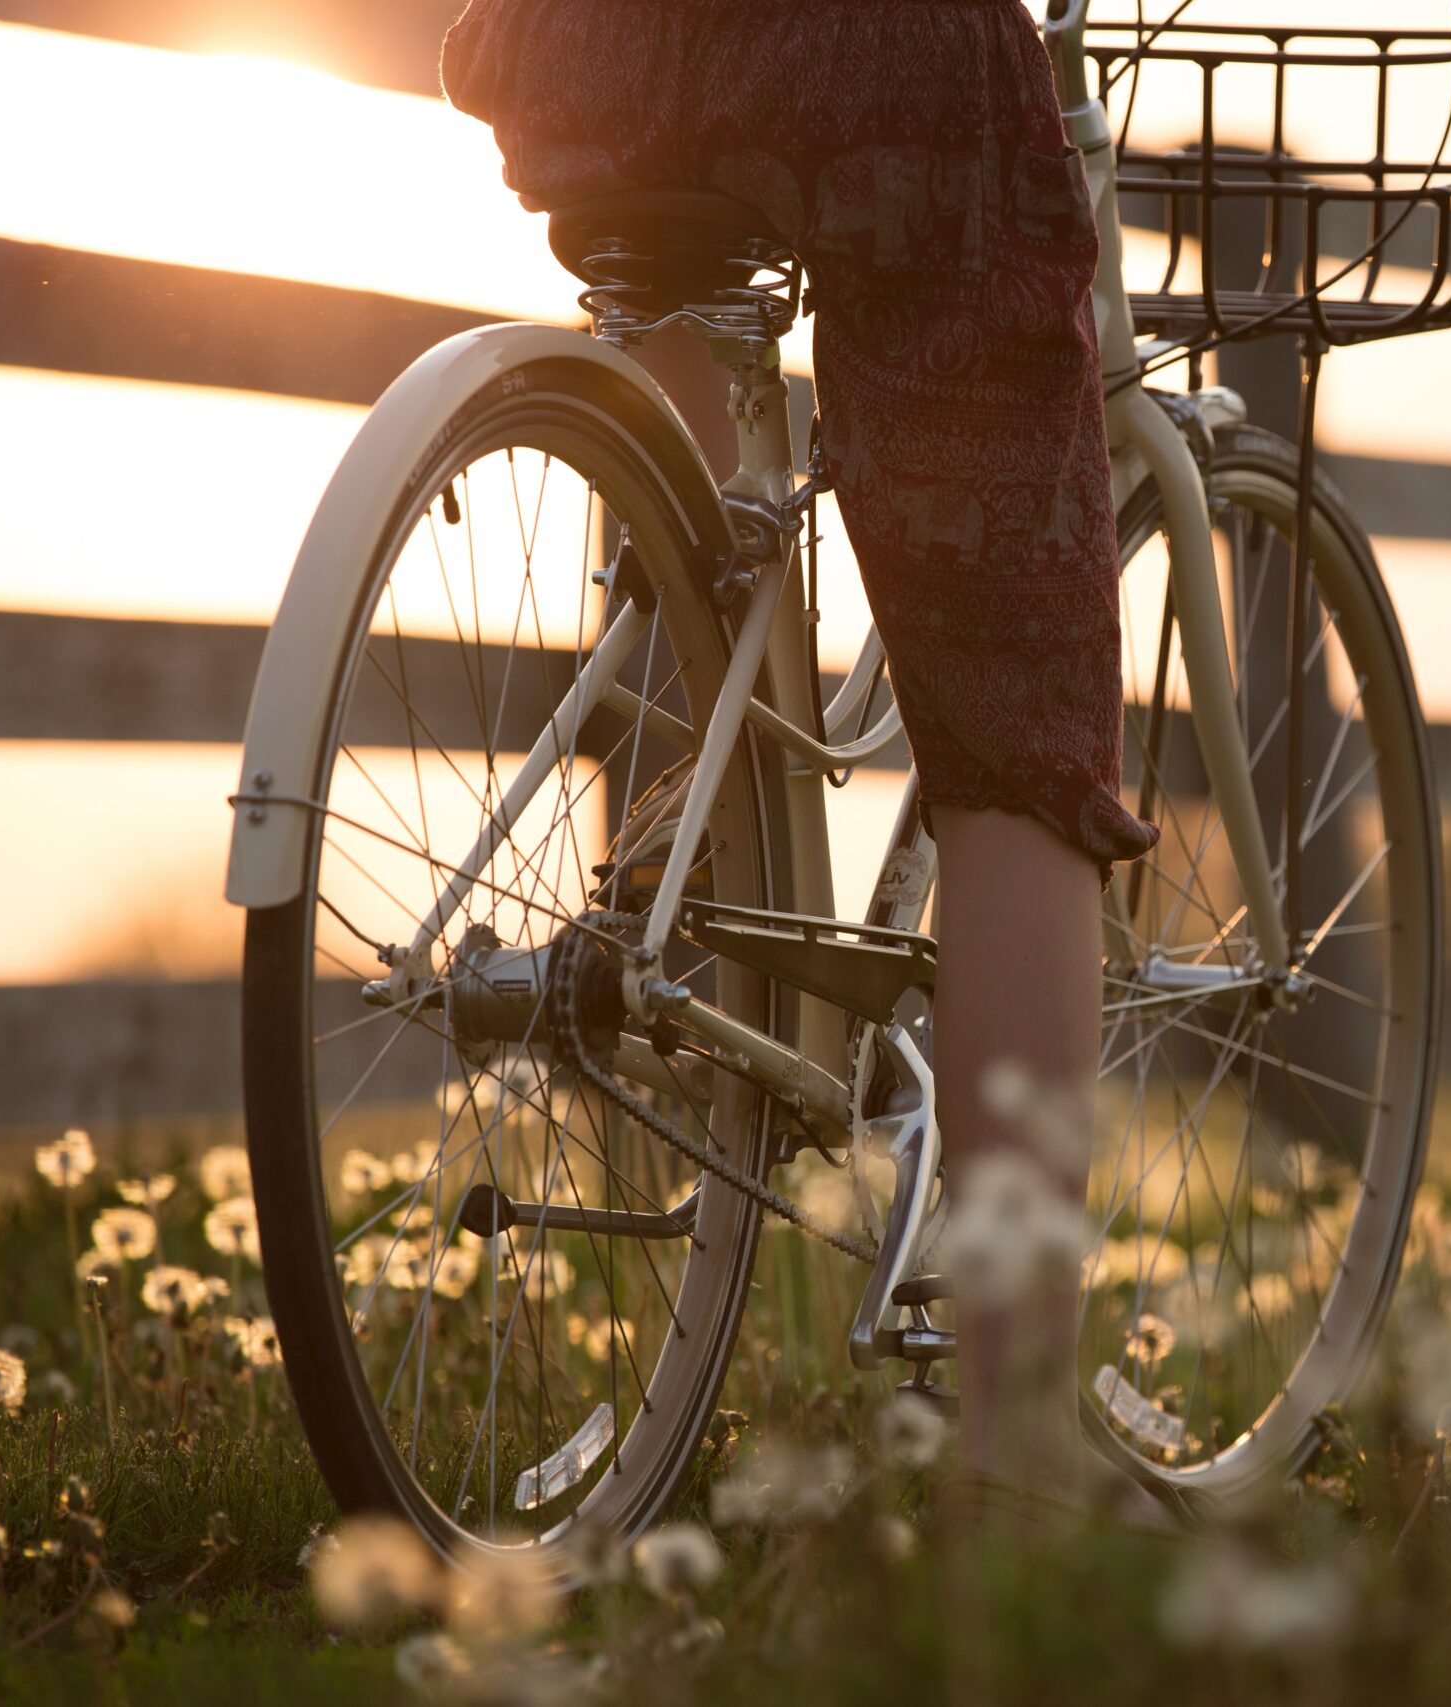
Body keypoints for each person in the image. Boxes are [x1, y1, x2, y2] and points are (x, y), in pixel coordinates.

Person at [438, 0, 1160, 1519]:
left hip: (579, 47)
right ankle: (1017, 1463)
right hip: (874, 60)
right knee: (1020, 738)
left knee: (687, 437)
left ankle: (680, 885)